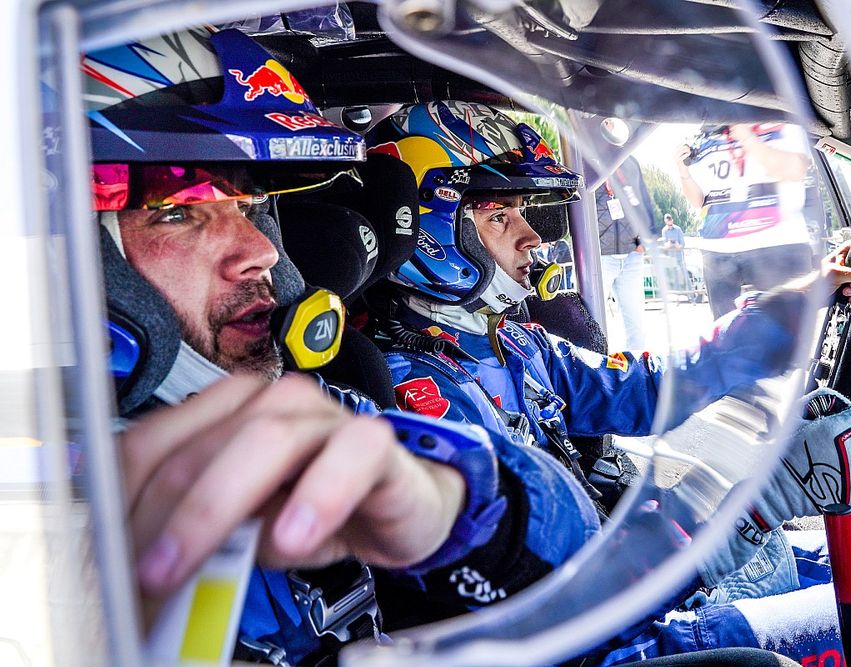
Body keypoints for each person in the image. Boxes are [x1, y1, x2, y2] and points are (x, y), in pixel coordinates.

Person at [364, 102, 851, 665]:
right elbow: (559, 604)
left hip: (651, 577)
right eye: (498, 217)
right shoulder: (412, 402)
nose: (532, 237)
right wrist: (760, 503)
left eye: (524, 213)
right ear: (428, 229)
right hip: (617, 637)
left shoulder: (510, 342)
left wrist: (793, 310)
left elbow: (652, 391)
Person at [89, 28, 602, 665]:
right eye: (178, 209)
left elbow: (572, 561)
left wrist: (457, 512)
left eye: (253, 205)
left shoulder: (292, 412)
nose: (264, 253)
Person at [676, 123, 816, 319]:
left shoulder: (779, 119)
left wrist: (747, 138)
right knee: (725, 335)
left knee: (788, 333)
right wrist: (684, 172)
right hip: (718, 248)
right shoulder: (703, 135)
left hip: (777, 243)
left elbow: (794, 170)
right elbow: (699, 201)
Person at [595, 155, 659, 349]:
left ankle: (637, 367)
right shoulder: (582, 156)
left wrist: (646, 237)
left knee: (636, 321)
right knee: (592, 318)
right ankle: (594, 367)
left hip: (632, 254)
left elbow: (642, 198)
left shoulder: (629, 159)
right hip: (599, 256)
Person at [658, 213, 688, 291]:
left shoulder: (678, 229)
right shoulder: (664, 230)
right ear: (665, 221)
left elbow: (683, 244)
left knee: (686, 276)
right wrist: (670, 244)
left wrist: (677, 246)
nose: (669, 223)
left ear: (672, 220)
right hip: (671, 258)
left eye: (670, 220)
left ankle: (691, 295)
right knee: (675, 278)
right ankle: (678, 297)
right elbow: (665, 245)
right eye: (668, 221)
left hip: (680, 257)